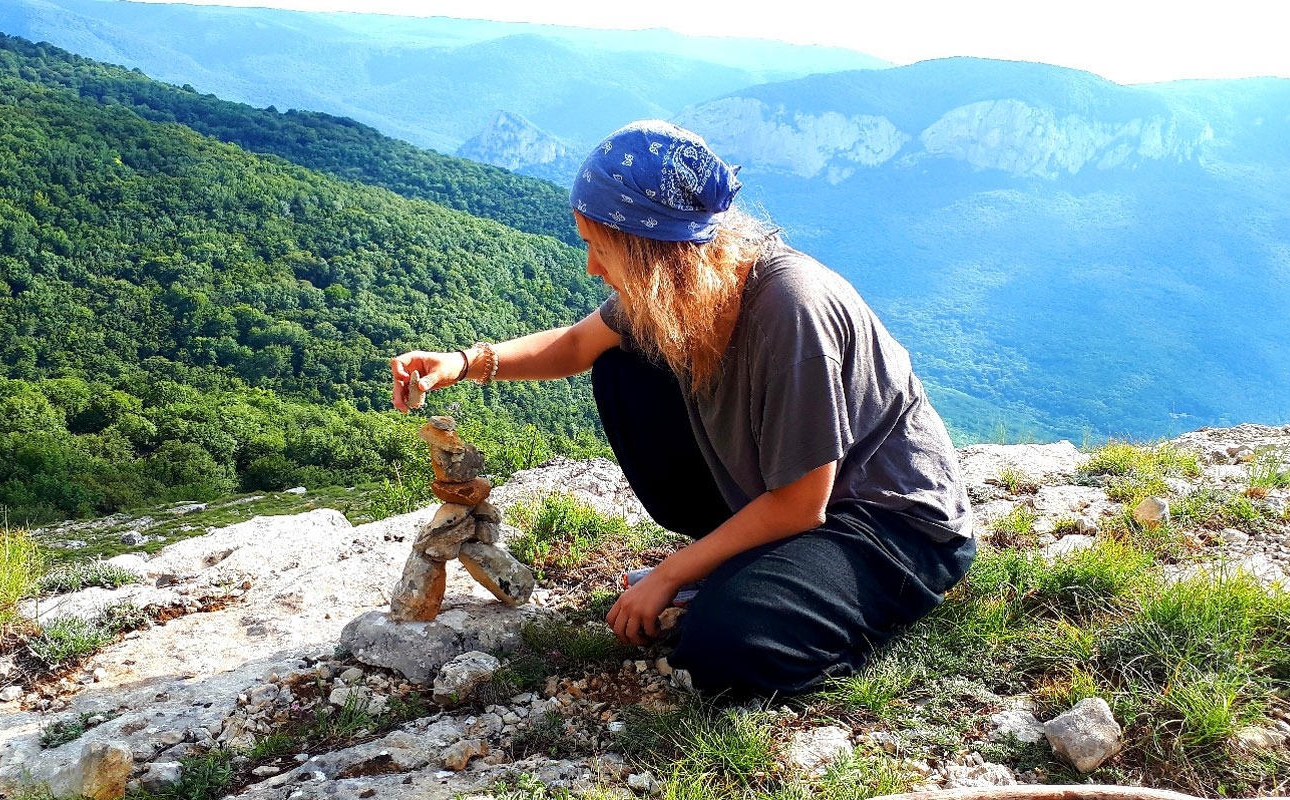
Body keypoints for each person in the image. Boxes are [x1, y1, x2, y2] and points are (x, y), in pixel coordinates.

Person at [390, 119, 975, 698]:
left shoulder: (791, 310)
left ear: (651, 253)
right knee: (624, 367)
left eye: (599, 247)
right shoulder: (688, 285)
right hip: (797, 504)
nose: (592, 267)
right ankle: (746, 569)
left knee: (724, 649)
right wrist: (463, 362)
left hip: (888, 523)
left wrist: (673, 573)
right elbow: (574, 346)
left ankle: (816, 603)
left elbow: (801, 504)